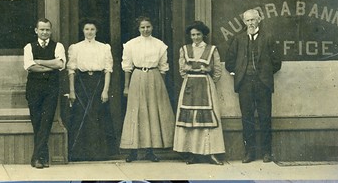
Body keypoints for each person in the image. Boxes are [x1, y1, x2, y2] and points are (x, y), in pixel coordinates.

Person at [223, 7, 282, 163]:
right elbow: (229, 62)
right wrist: (240, 74)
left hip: (263, 84)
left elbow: (277, 63)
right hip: (245, 85)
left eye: (253, 19)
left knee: (265, 118)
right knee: (247, 119)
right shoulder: (238, 39)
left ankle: (266, 153)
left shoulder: (268, 37)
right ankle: (249, 153)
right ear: (244, 22)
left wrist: (265, 74)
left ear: (259, 20)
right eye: (247, 20)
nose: (250, 23)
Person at [119, 15, 174, 161]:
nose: (145, 30)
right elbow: (127, 67)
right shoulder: (130, 45)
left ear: (152, 27)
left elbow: (163, 68)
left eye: (148, 27)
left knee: (151, 113)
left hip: (154, 78)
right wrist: (126, 86)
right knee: (135, 113)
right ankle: (133, 151)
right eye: (142, 27)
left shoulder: (159, 45)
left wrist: (160, 87)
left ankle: (150, 151)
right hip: (137, 77)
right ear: (138, 28)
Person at [173, 20, 226, 164]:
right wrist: (190, 79)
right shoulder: (184, 49)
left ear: (203, 35)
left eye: (198, 34)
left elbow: (218, 71)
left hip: (206, 86)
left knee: (208, 119)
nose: (195, 37)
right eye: (193, 35)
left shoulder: (212, 49)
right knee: (189, 119)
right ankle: (191, 153)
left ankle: (211, 153)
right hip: (190, 86)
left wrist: (208, 80)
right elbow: (182, 70)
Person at [65, 19, 113, 161]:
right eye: (87, 29)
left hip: (98, 83)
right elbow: (71, 70)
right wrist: (72, 90)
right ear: (83, 31)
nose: (89, 32)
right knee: (81, 115)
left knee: (98, 115)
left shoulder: (104, 48)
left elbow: (108, 70)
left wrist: (105, 90)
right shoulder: (76, 48)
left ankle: (99, 154)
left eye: (92, 29)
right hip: (82, 83)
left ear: (96, 31)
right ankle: (80, 154)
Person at [22, 18, 66, 169]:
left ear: (51, 31)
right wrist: (50, 65)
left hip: (51, 88)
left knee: (46, 121)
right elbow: (29, 66)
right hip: (34, 88)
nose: (45, 32)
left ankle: (36, 158)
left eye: (47, 29)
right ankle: (42, 156)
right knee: (37, 122)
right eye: (42, 29)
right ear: (36, 30)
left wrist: (39, 61)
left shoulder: (58, 46)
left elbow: (60, 64)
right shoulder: (29, 47)